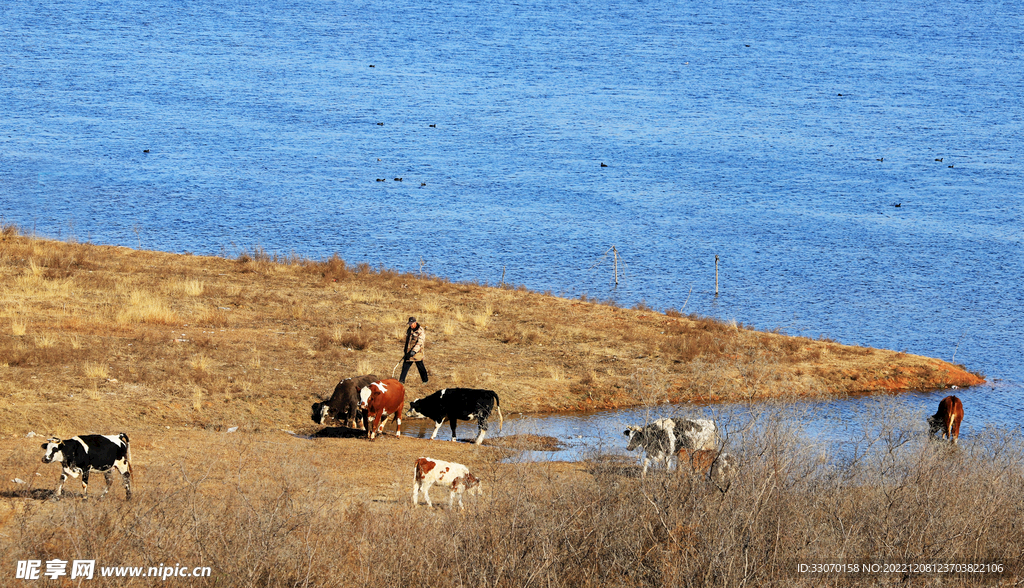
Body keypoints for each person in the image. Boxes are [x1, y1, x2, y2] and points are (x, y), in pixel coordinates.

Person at [399, 317, 429, 384]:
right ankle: (401, 381)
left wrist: (414, 351)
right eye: (409, 324)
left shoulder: (420, 331)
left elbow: (420, 342)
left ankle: (425, 381)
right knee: (405, 366)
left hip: (417, 352)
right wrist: (406, 351)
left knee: (420, 366)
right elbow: (408, 341)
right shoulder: (409, 329)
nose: (410, 325)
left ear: (415, 322)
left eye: (412, 324)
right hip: (409, 352)